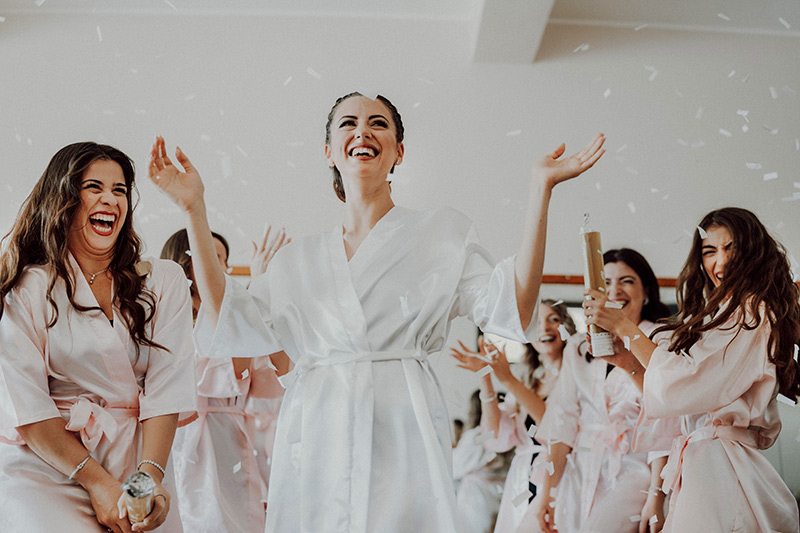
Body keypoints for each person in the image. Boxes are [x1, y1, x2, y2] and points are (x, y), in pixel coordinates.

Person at [148, 91, 605, 532]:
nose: (362, 131)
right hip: (318, 429)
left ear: (398, 152)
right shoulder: (297, 262)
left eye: (377, 123)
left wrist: (539, 191)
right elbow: (232, 317)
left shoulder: (441, 234)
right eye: (348, 123)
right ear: (329, 151)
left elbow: (513, 304)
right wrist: (194, 208)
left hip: (402, 425)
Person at [0, 142, 197, 532]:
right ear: (64, 199)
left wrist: (148, 481)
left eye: (120, 190)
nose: (110, 199)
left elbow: (167, 388)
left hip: (140, 465)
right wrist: (97, 483)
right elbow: (26, 406)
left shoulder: (163, 281)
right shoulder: (26, 288)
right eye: (94, 187)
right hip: (50, 468)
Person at [584, 208, 800, 532]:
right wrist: (630, 365)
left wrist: (624, 328)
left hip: (723, 465)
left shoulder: (752, 310)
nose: (720, 263)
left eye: (731, 248)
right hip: (701, 463)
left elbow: (684, 383)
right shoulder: (719, 315)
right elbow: (678, 407)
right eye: (709, 251)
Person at [535, 249, 672, 533]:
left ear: (646, 290)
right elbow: (563, 423)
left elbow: (667, 423)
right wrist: (547, 491)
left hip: (637, 470)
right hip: (581, 466)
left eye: (626, 281)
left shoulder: (663, 340)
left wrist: (656, 497)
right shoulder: (578, 346)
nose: (614, 291)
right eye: (606, 283)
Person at [161, 229, 267, 533]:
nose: (219, 267)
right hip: (178, 438)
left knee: (230, 517)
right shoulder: (165, 322)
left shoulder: (230, 323)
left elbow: (249, 375)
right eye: (211, 257)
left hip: (228, 438)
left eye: (223, 260)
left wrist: (256, 291)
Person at [450, 300, 575, 533]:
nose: (545, 328)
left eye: (554, 320)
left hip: (560, 475)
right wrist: (485, 376)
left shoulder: (577, 377)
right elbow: (495, 437)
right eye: (536, 323)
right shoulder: (529, 380)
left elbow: (554, 427)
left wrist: (507, 379)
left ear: (566, 327)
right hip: (522, 478)